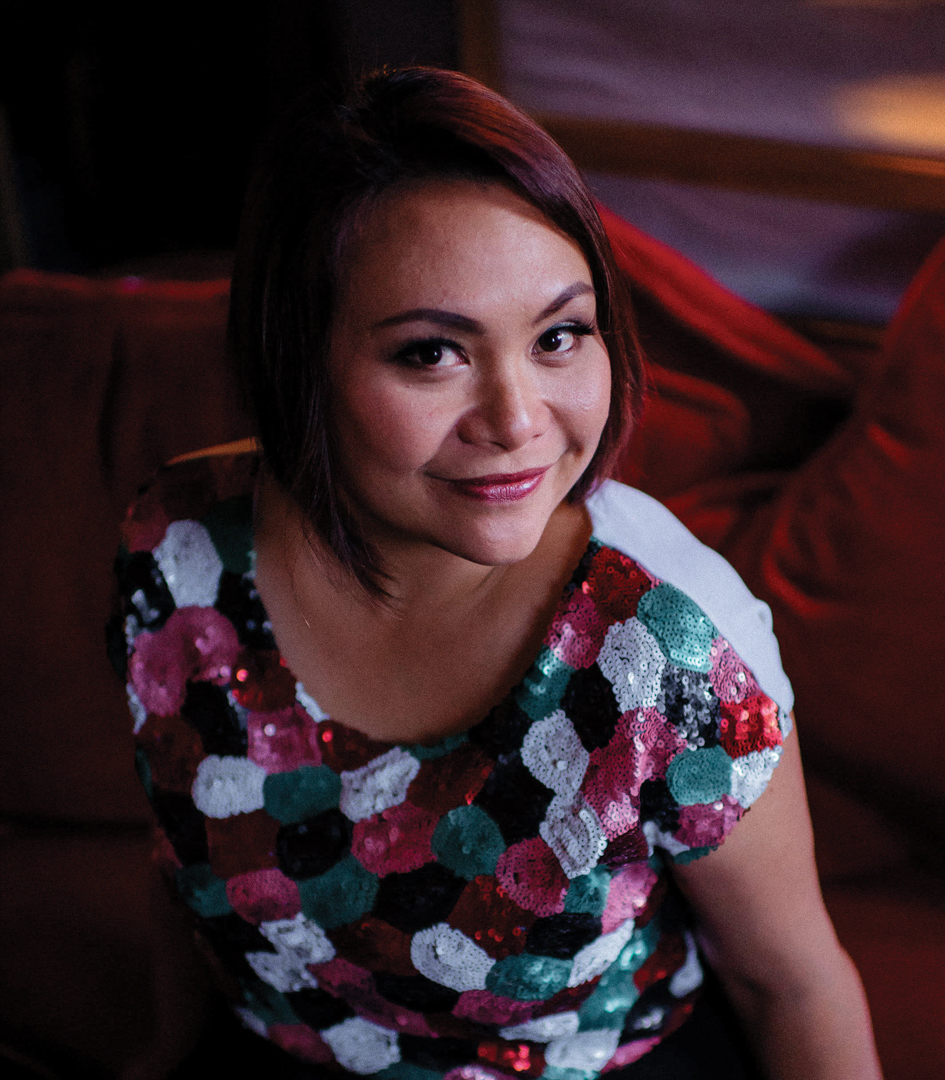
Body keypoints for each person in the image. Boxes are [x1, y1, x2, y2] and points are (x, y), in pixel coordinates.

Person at [112, 67, 882, 1080]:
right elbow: (185, 875)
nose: (519, 422)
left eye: (560, 335)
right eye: (433, 353)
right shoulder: (176, 553)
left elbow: (795, 984)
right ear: (297, 355)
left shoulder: (670, 654)